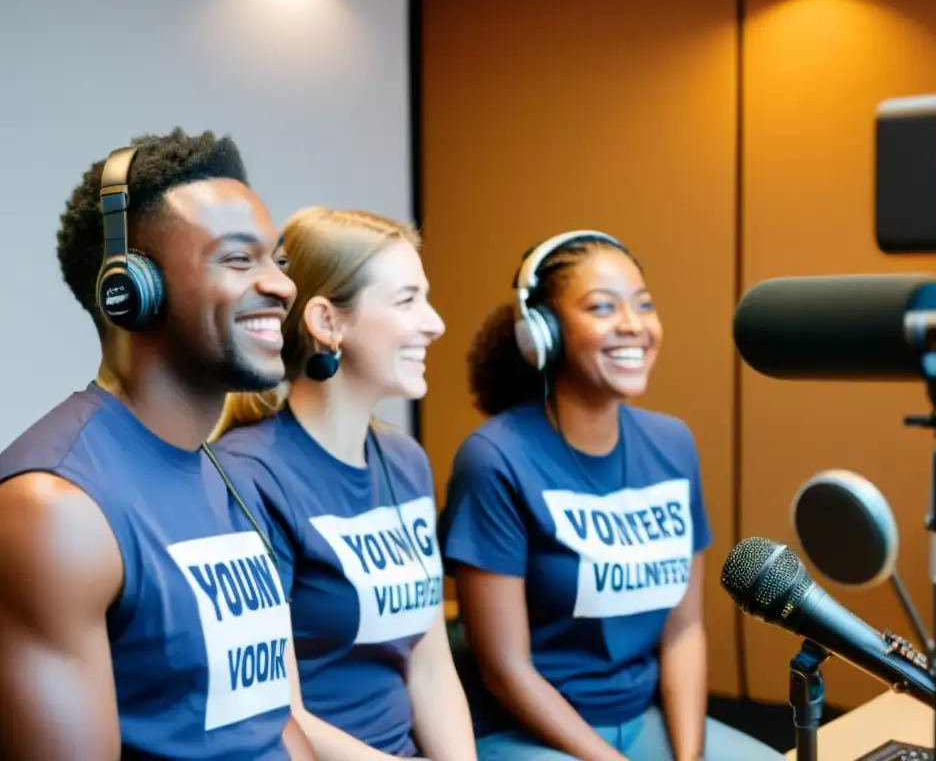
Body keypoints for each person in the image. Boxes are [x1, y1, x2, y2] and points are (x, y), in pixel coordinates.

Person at [0, 130, 314, 761]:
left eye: (276, 260)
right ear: (131, 288)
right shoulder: (53, 510)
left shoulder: (224, 475)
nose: (281, 286)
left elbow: (270, 723)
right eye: (237, 259)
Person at [438, 231, 785, 761]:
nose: (633, 325)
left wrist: (689, 758)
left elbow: (684, 628)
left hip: (643, 721)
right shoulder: (494, 458)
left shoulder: (672, 443)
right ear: (542, 333)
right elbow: (506, 669)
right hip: (528, 734)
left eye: (644, 305)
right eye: (603, 307)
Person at [212, 207, 477, 760]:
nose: (435, 323)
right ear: (327, 322)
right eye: (407, 300)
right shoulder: (247, 476)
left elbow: (429, 667)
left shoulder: (405, 461)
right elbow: (280, 714)